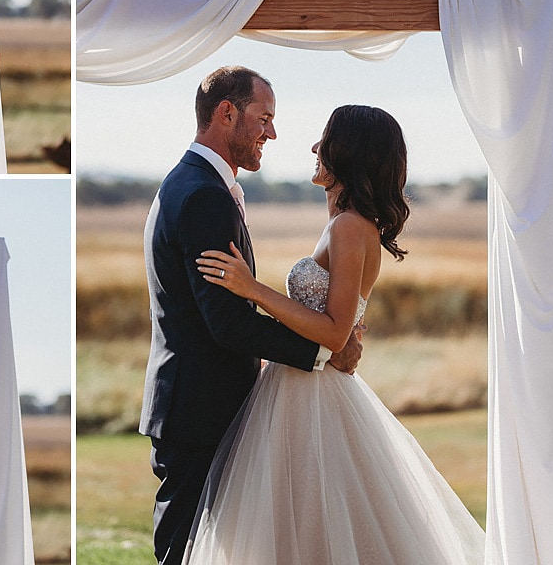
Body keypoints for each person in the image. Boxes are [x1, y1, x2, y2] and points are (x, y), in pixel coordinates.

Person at [185, 105, 485, 564]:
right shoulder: (347, 225)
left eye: (324, 140)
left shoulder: (349, 228)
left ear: (348, 152)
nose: (313, 149)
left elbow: (333, 330)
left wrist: (252, 289)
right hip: (298, 387)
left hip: (312, 397)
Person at [141, 66, 363, 565]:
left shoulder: (195, 185)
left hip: (204, 404)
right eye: (264, 118)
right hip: (199, 410)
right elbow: (228, 322)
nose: (272, 133)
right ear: (226, 114)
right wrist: (324, 350)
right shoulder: (202, 196)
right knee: (186, 550)